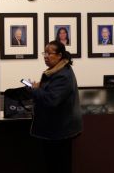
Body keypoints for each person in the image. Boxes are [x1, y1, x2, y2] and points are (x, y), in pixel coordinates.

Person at [30, 40, 82, 173]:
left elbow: (51, 100)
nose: (46, 56)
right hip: (55, 130)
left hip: (59, 132)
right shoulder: (56, 71)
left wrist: (35, 89)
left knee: (58, 166)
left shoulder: (63, 75)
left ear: (59, 55)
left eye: (49, 53)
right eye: (44, 53)